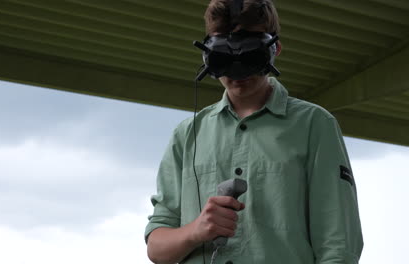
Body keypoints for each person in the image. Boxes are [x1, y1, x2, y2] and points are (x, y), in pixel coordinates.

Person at [145, 0, 364, 263]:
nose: (237, 72)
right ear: (207, 56)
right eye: (223, 56)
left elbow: (338, 244)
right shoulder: (187, 134)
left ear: (275, 49)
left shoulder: (315, 125)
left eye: (250, 55)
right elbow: (157, 250)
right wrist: (196, 230)